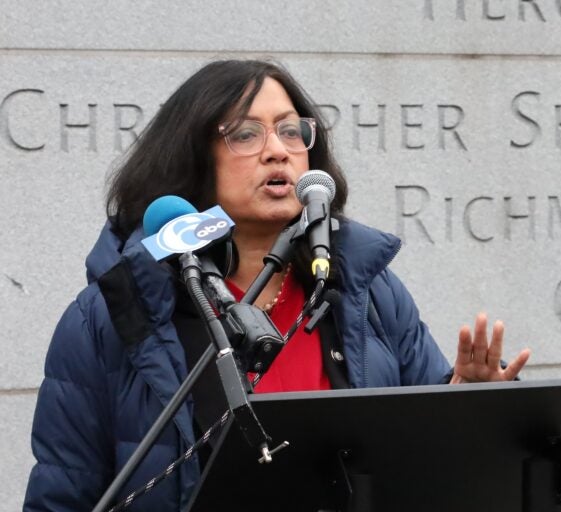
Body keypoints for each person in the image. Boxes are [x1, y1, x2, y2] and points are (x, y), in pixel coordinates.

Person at [24, 59, 531, 511]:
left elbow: (422, 468)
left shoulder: (366, 291)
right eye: (246, 134)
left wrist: (468, 412)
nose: (277, 151)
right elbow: (62, 497)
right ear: (192, 158)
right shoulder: (112, 317)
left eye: (291, 132)